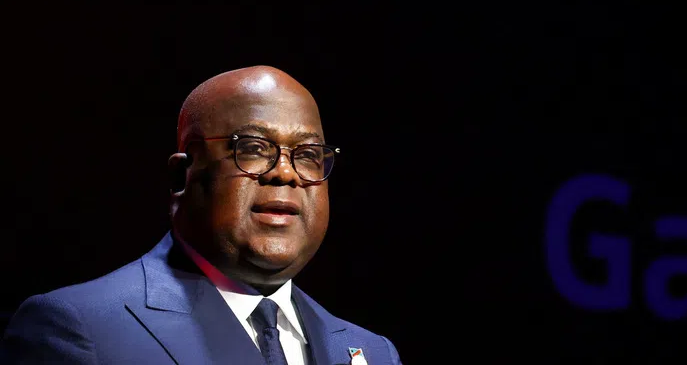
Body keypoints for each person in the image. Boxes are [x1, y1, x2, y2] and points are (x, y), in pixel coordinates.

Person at [2, 66, 402, 365]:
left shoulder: (373, 352)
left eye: (309, 155)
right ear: (181, 176)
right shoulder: (78, 330)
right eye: (253, 148)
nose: (285, 172)